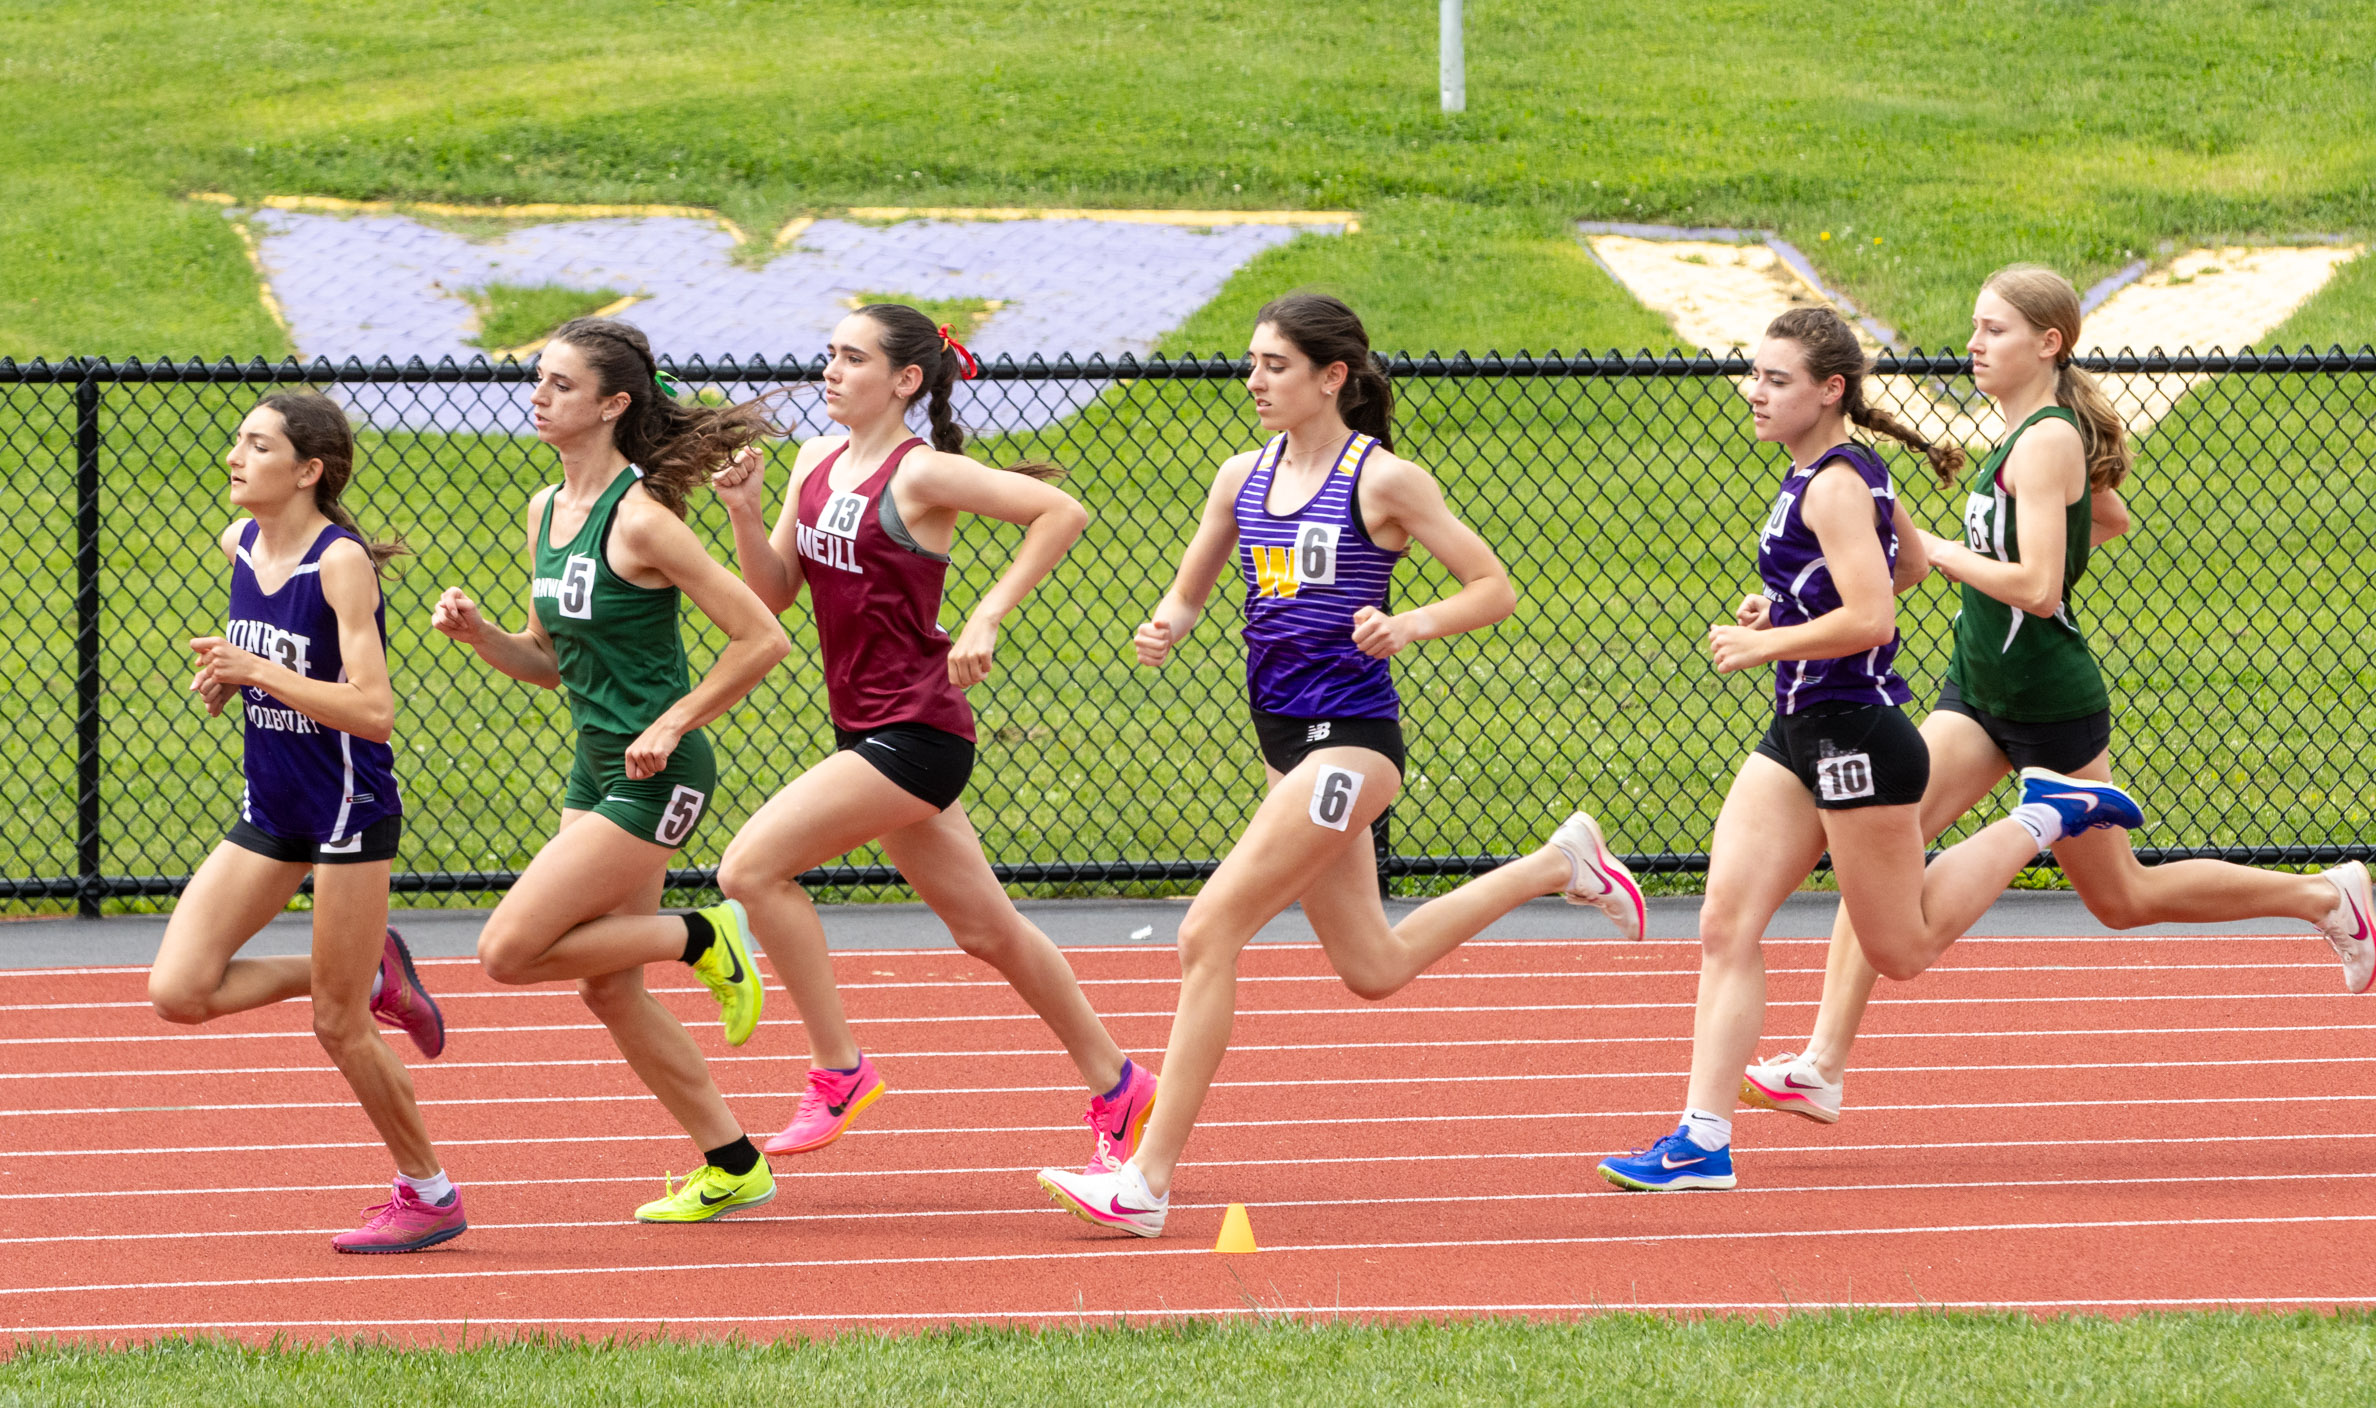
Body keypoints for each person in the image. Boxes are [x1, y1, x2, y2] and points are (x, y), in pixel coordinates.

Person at [1037, 292, 1647, 1239]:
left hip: (1353, 745)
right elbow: (1195, 583)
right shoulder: (1240, 477)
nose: (1253, 382)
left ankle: (1145, 1182)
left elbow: (1493, 588)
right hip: (1287, 749)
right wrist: (1169, 623)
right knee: (1375, 965)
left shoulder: (1386, 483)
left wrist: (1411, 623)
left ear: (1331, 377)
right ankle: (1560, 865)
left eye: (1274, 366)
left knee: (1208, 931)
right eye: (1250, 363)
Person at [1744, 266, 2376, 1126]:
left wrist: (1935, 549)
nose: (1973, 344)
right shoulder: (2029, 435)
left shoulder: (2044, 439)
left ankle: (2324, 897)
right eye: (1974, 327)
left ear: (2047, 344)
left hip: (2047, 697)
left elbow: (2041, 588)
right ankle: (1822, 1063)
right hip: (1978, 689)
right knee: (1888, 863)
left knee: (2120, 900)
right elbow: (2106, 516)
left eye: (1994, 330)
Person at [1595, 305, 2147, 1193]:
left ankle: (2046, 816)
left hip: (1856, 731)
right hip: (1797, 731)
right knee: (1725, 921)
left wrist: (1766, 644)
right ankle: (1703, 1139)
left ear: (1829, 390)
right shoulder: (1818, 471)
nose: (1755, 392)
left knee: (1902, 949)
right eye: (1756, 375)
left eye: (1775, 380)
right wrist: (1784, 611)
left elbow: (1875, 617)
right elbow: (1909, 567)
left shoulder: (1836, 484)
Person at [710, 303, 1158, 1168]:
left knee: (750, 869)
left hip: (917, 731)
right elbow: (771, 597)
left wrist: (988, 612)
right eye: (828, 355)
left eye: (852, 357)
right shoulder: (813, 460)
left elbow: (1060, 512)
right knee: (989, 933)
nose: (831, 371)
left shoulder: (922, 476)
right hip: (866, 730)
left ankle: (839, 1072)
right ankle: (1119, 1082)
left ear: (906, 380)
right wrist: (742, 510)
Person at [432, 317, 792, 1224]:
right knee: (604, 986)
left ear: (612, 405)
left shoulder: (642, 522)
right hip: (594, 765)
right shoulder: (543, 512)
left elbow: (763, 638)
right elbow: (550, 661)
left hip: (661, 771)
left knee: (507, 952)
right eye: (539, 380)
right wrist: (482, 638)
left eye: (559, 384)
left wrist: (673, 721)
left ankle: (703, 936)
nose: (539, 396)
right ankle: (734, 1161)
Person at [150, 391, 460, 1254]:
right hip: (274, 800)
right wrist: (230, 678)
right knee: (178, 992)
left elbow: (374, 710)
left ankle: (428, 1192)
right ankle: (368, 970)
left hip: (347, 808)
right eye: (238, 441)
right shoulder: (241, 542)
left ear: (309, 470)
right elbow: (269, 656)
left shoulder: (339, 562)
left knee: (336, 1028)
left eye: (256, 444)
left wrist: (259, 670)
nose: (234, 457)